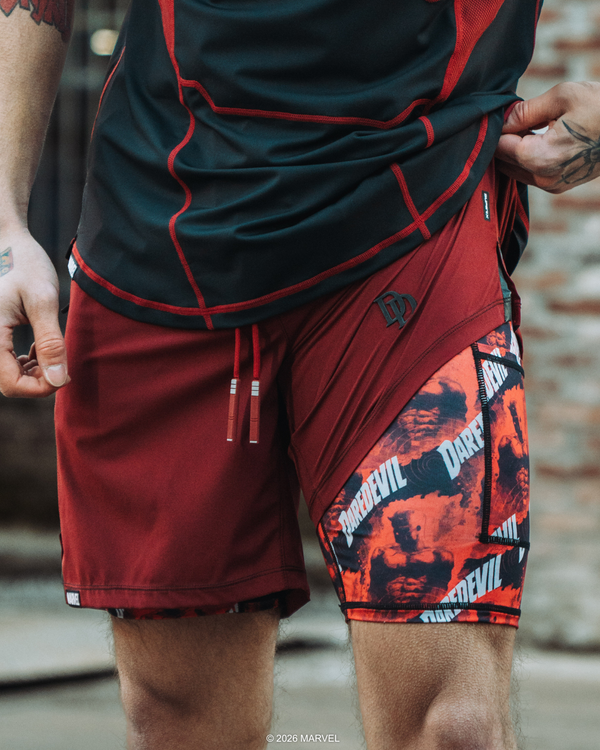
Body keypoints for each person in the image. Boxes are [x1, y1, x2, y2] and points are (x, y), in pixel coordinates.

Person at [1, 1, 600, 748]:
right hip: (167, 226)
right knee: (179, 722)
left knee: (454, 729)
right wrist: (5, 220)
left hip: (417, 204)